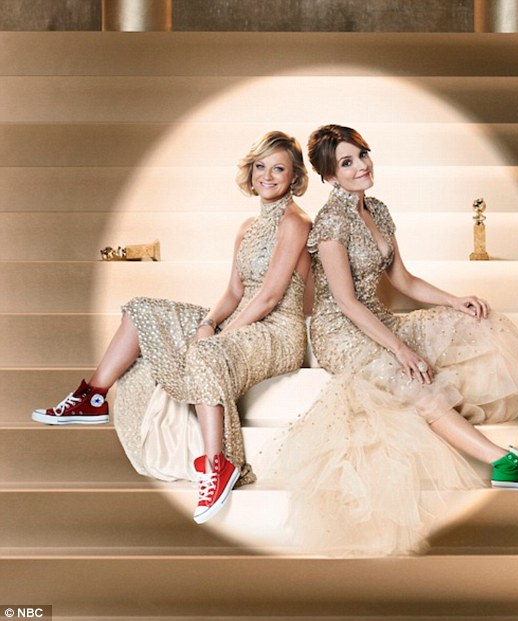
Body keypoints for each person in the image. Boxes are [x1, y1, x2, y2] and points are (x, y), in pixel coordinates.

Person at [271, 124, 518, 556]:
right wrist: (401, 349)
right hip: (341, 333)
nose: (361, 167)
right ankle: (503, 463)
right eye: (347, 163)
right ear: (330, 176)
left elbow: (403, 279)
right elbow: (347, 302)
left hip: (379, 319)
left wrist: (455, 300)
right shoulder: (331, 223)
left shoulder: (377, 209)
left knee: (477, 318)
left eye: (363, 155)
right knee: (418, 382)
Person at [32, 130, 313, 525]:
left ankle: (217, 466)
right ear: (250, 173)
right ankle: (93, 396)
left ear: (294, 176)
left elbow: (268, 297)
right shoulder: (247, 227)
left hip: (277, 331)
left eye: (278, 169)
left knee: (206, 350)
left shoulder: (296, 222)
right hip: (241, 319)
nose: (267, 176)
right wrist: (209, 322)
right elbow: (234, 291)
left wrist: (221, 335)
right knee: (141, 310)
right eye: (260, 167)